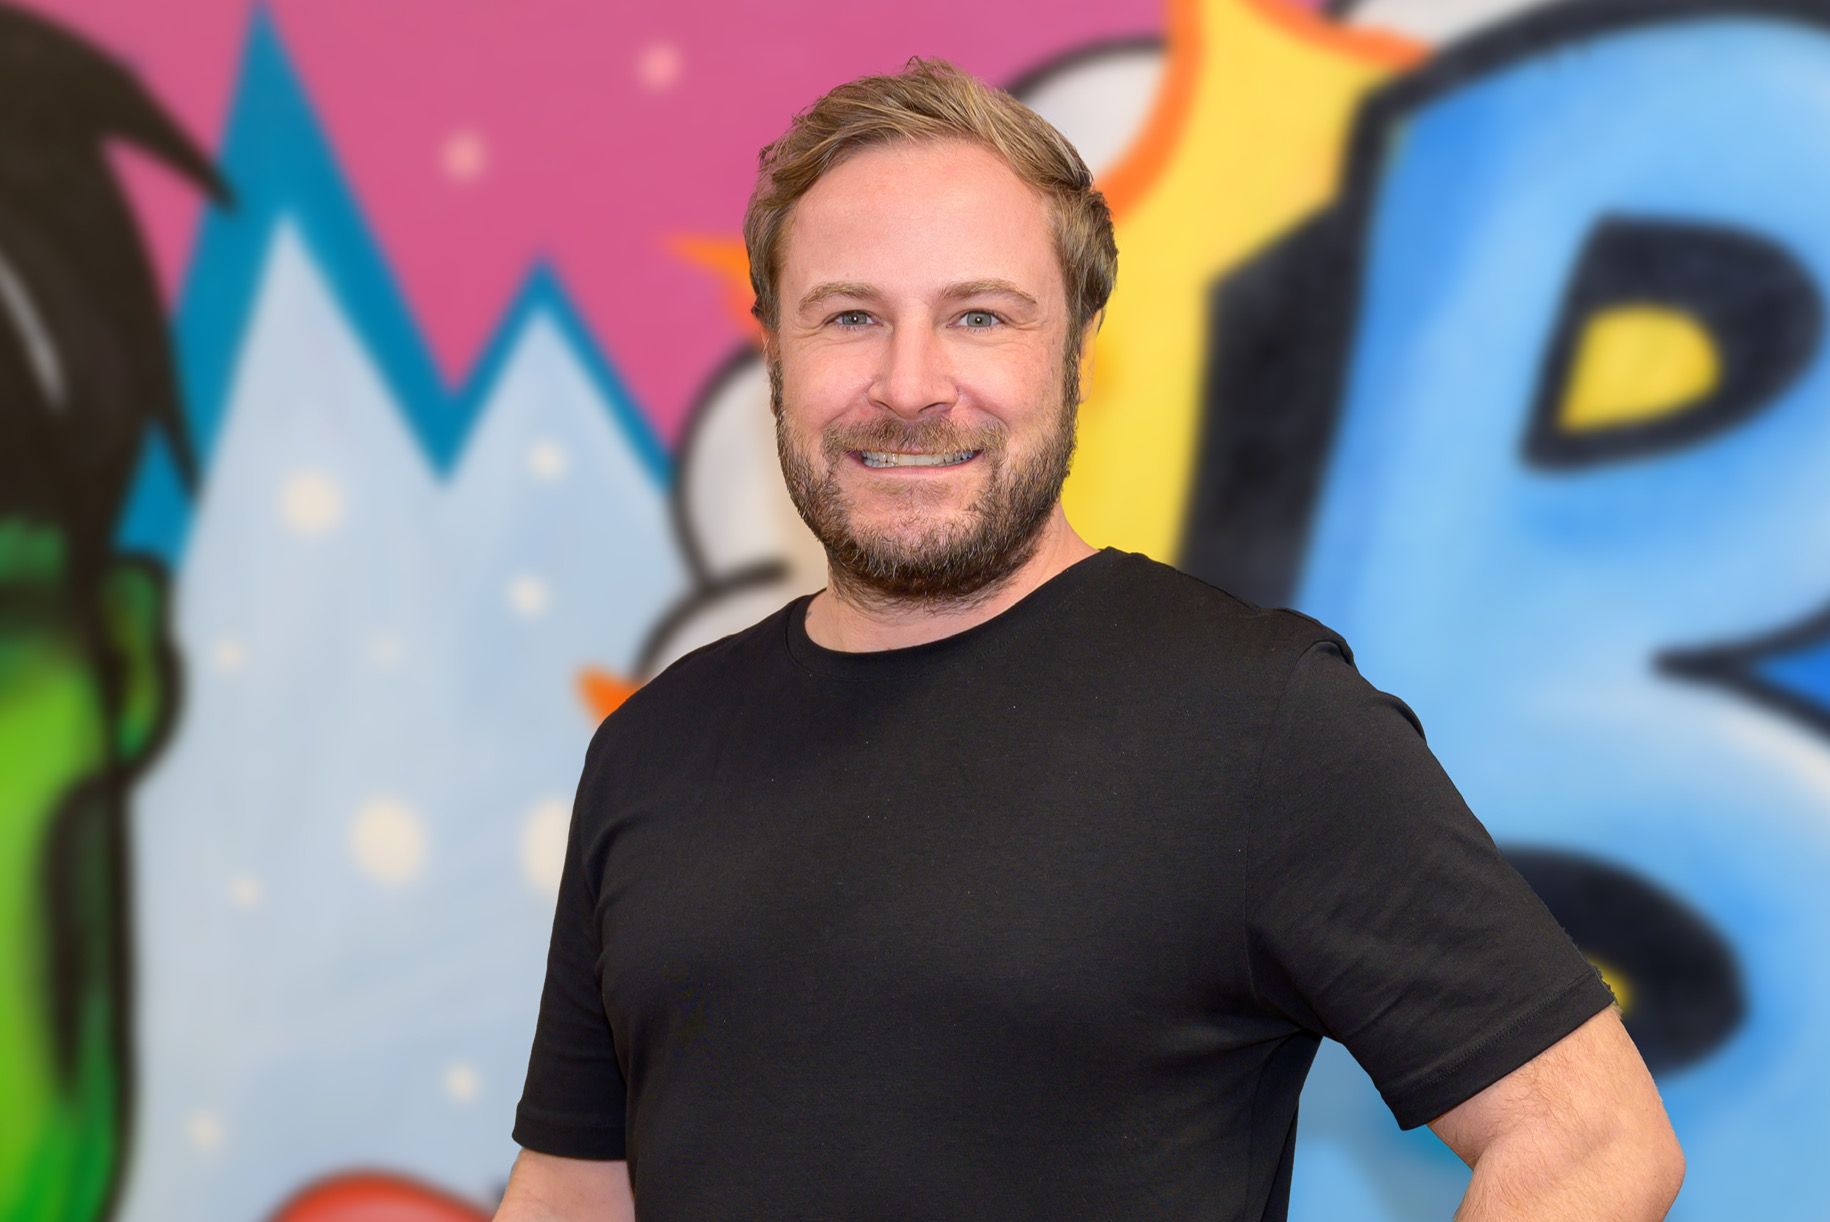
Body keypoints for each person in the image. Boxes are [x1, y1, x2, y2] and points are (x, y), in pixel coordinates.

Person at [496, 59, 1684, 1221]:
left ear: (1075, 348)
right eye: (850, 316)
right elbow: (572, 1193)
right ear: (775, 348)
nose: (909, 385)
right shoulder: (653, 747)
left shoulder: (1260, 721)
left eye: (979, 316)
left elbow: (1592, 1139)